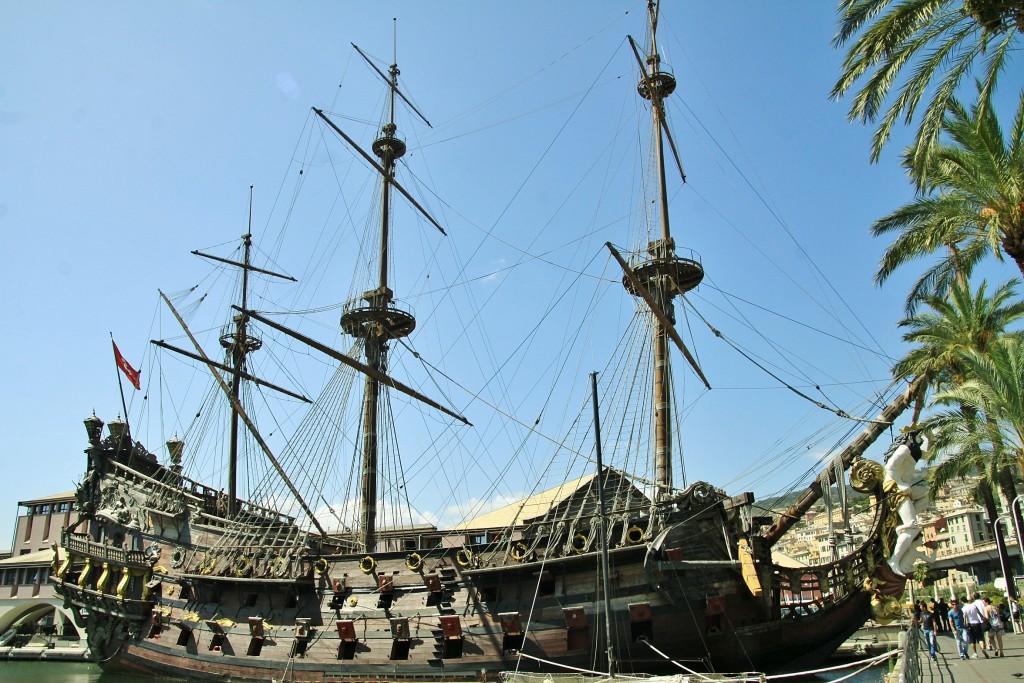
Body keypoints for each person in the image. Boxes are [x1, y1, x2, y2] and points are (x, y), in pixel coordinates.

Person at [882, 430, 931, 576]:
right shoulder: (903, 449)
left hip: (904, 486)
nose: (920, 439)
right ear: (911, 437)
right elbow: (890, 467)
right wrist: (900, 484)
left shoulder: (913, 451)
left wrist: (929, 438)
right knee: (913, 527)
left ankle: (904, 525)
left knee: (927, 494)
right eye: (919, 436)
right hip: (895, 488)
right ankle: (894, 560)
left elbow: (928, 455)